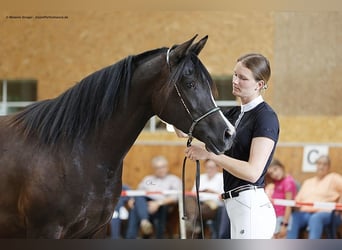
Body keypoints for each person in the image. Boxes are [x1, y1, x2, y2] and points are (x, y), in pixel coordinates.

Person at [178, 53, 279, 239]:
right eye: (235, 75)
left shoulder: (265, 117)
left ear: (259, 84)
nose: (235, 81)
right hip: (234, 206)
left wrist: (210, 154)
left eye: (243, 78)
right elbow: (184, 131)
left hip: (251, 207)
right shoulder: (232, 114)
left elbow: (252, 172)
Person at [125, 155, 181, 239]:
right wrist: (132, 200)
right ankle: (144, 222)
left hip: (162, 206)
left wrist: (157, 203)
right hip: (145, 204)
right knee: (137, 199)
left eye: (162, 167)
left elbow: (175, 197)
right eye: (157, 167)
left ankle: (134, 234)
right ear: (154, 169)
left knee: (136, 208)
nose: (160, 170)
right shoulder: (148, 179)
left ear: (167, 167)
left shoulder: (173, 180)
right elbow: (138, 192)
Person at [286, 155, 342, 239]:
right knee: (294, 217)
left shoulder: (333, 178)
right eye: (319, 164)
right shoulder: (308, 182)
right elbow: (298, 200)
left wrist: (339, 206)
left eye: (324, 164)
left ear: (329, 167)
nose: (321, 166)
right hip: (305, 213)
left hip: (327, 214)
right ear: (316, 165)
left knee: (315, 218)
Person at [184, 159, 225, 239]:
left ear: (217, 167)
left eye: (211, 167)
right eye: (207, 167)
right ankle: (193, 220)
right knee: (188, 197)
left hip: (213, 205)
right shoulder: (201, 177)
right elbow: (193, 193)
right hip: (199, 203)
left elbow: (223, 196)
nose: (209, 170)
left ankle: (192, 221)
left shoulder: (222, 177)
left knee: (192, 211)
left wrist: (211, 192)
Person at [266, 158, 298, 238]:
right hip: (275, 217)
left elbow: (288, 205)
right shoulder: (277, 182)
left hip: (283, 218)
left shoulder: (288, 182)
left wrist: (284, 225)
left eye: (275, 169)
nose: (274, 174)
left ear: (281, 167)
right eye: (271, 173)